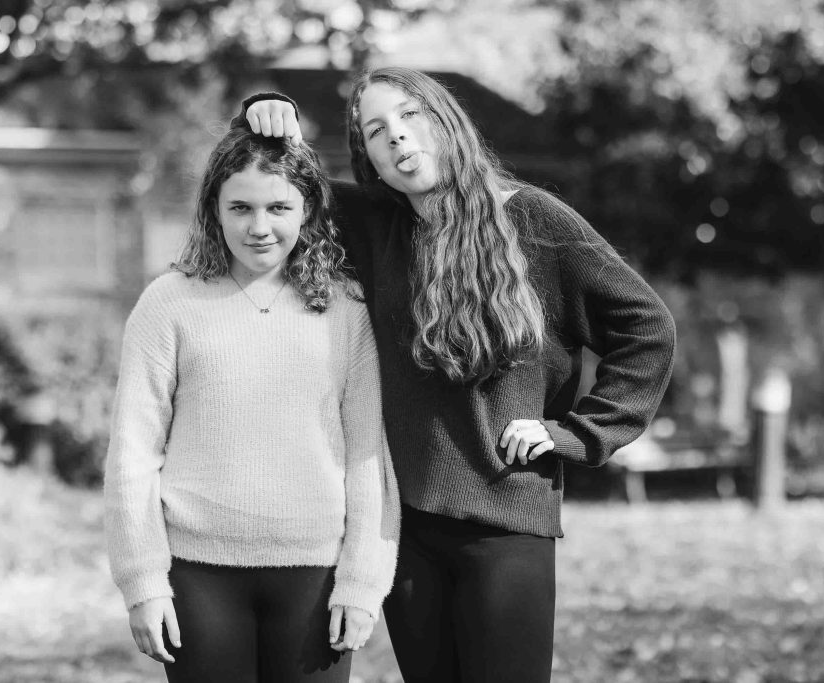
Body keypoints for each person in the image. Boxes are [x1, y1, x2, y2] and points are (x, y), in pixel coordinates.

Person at [239, 66, 677, 683]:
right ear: (368, 157)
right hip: (408, 529)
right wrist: (266, 109)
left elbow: (646, 327)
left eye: (410, 117)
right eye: (375, 131)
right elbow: (271, 188)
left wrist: (579, 430)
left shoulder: (536, 222)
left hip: (506, 519)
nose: (396, 137)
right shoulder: (375, 225)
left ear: (447, 121)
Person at [103, 126, 400, 683]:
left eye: (278, 207)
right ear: (213, 209)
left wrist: (363, 579)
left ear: (307, 211)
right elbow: (134, 452)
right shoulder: (168, 303)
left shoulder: (346, 309)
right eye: (239, 206)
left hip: (317, 573)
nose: (258, 227)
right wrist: (141, 580)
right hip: (198, 575)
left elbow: (368, 455)